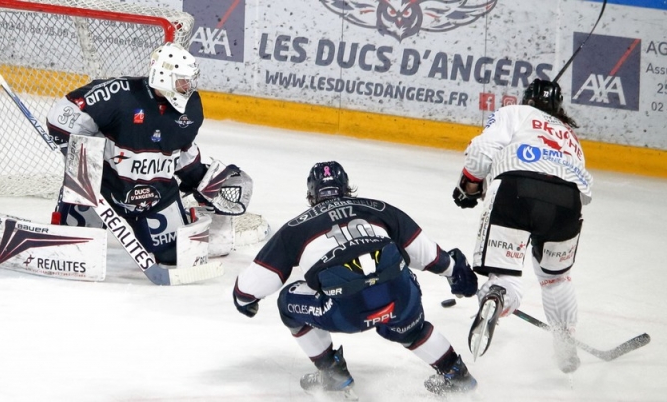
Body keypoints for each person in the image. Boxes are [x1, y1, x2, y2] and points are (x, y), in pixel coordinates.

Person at [233, 161, 479, 399]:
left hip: (346, 312)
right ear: (347, 188)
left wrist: (244, 300)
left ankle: (333, 375)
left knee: (288, 302)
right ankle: (456, 375)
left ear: (311, 196)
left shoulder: (296, 228)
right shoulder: (379, 208)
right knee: (409, 326)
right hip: (399, 298)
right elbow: (427, 255)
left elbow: (249, 288)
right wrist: (456, 273)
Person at [45, 42, 251, 266]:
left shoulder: (191, 107)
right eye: (182, 80)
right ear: (163, 76)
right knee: (72, 252)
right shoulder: (118, 95)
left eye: (189, 80)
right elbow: (61, 118)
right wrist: (81, 163)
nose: (188, 86)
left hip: (156, 196)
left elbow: (182, 149)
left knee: (175, 256)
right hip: (101, 189)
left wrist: (199, 177)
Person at [451, 78, 593, 373]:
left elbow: (483, 149)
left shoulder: (514, 112)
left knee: (504, 275)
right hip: (568, 204)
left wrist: (469, 186)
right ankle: (565, 340)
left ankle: (496, 295)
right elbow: (585, 190)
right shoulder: (570, 135)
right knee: (556, 279)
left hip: (517, 190)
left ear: (526, 98)